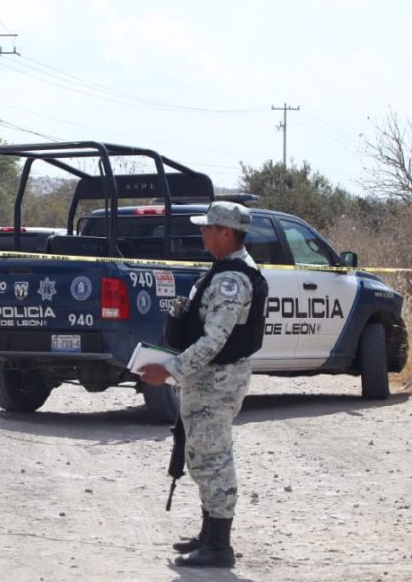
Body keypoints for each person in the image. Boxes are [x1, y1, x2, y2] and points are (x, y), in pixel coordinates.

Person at [139, 201, 268, 568]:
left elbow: (215, 341)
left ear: (226, 233)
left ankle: (218, 547)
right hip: (207, 380)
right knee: (199, 457)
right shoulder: (224, 270)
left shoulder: (232, 279)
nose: (202, 232)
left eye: (208, 227)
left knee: (213, 460)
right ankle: (208, 534)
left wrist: (169, 371)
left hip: (217, 381)